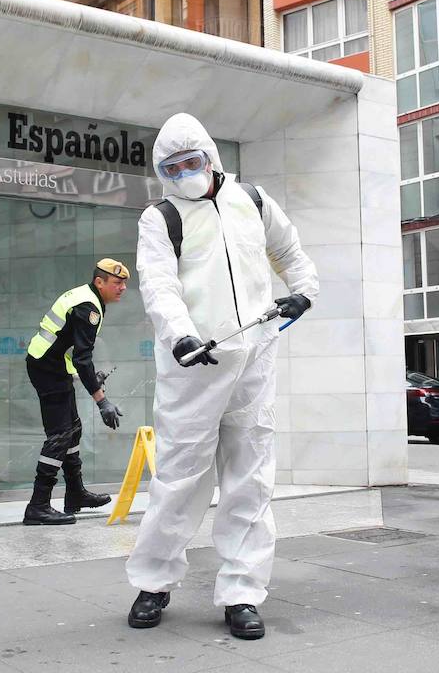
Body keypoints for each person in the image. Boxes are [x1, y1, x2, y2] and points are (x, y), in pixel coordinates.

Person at [125, 112, 318, 640]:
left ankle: (242, 593)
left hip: (254, 356)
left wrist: (303, 290)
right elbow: (159, 285)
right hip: (194, 364)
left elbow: (290, 252)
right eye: (173, 166)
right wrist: (181, 335)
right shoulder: (159, 218)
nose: (184, 172)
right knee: (180, 478)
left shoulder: (252, 201)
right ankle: (154, 581)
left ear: (211, 157)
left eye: (191, 161)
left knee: (250, 477)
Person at [22, 259, 129, 526]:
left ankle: (75, 494)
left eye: (124, 283)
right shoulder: (88, 307)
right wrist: (102, 401)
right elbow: (82, 358)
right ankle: (37, 505)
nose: (123, 288)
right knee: (59, 435)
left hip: (51, 364)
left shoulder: (86, 297)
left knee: (73, 429)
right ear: (99, 282)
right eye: (117, 283)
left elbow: (67, 347)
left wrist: (89, 378)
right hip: (47, 368)